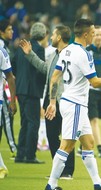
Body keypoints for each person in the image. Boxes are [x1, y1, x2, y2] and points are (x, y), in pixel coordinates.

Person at [44, 18, 101, 190]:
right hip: (75, 104)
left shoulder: (66, 50)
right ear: (85, 34)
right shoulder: (84, 54)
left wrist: (53, 102)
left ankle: (98, 185)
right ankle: (51, 186)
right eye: (92, 33)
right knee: (67, 145)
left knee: (88, 143)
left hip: (72, 103)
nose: (94, 36)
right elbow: (96, 82)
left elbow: (54, 78)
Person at [19, 25, 75, 179]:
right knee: (51, 135)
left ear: (59, 37)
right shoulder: (52, 55)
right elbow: (45, 69)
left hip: (65, 100)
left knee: (67, 136)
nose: (50, 37)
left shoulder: (71, 54)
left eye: (53, 35)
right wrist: (30, 55)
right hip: (50, 101)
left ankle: (68, 171)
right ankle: (58, 170)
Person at [78, 25, 101, 158]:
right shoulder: (86, 51)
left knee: (90, 120)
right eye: (96, 34)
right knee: (94, 120)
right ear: (92, 35)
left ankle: (81, 145)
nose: (99, 37)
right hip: (91, 90)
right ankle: (100, 148)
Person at [12, 22, 47, 164]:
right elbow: (41, 68)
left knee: (25, 122)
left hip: (20, 90)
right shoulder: (38, 48)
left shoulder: (21, 47)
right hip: (32, 90)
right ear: (44, 35)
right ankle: (30, 155)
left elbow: (12, 66)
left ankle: (20, 154)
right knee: (33, 123)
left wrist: (20, 79)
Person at [0, 19, 17, 158]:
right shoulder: (2, 49)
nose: (12, 32)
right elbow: (10, 76)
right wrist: (12, 101)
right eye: (9, 29)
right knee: (6, 116)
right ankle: (13, 146)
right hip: (2, 90)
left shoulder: (5, 47)